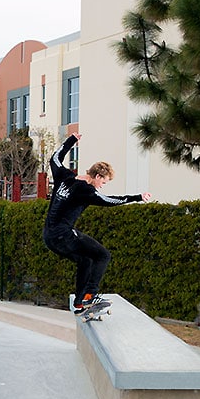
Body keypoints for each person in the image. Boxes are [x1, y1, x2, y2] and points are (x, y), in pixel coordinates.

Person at [43, 133, 151, 314]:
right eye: (104, 182)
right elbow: (109, 200)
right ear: (98, 175)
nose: (102, 186)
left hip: (49, 236)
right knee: (103, 255)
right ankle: (90, 296)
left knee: (85, 260)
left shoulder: (64, 176)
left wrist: (72, 140)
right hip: (63, 235)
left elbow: (55, 158)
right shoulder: (86, 190)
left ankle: (80, 302)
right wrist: (137, 197)